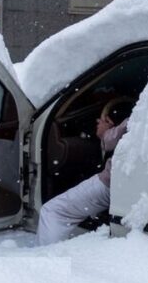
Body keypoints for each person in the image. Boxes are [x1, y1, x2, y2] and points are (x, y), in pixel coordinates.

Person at [37, 98, 133, 245]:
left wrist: (105, 133)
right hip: (133, 186)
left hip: (113, 182)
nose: (97, 122)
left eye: (100, 120)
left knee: (53, 212)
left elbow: (115, 138)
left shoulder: (147, 109)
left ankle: (48, 262)